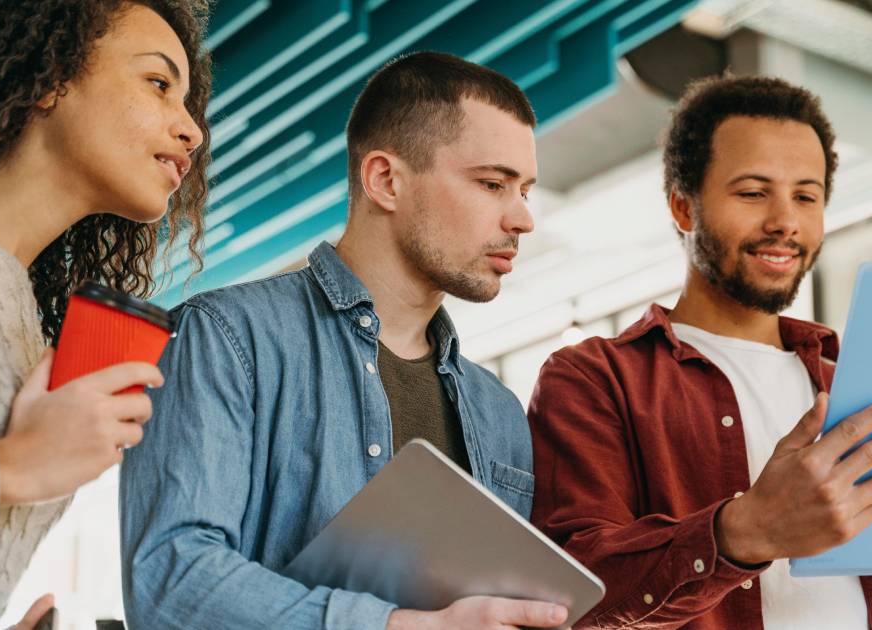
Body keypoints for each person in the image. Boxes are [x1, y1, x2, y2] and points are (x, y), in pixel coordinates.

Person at [120, 51, 569, 630]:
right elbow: (170, 582)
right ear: (385, 179)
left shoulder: (500, 414)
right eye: (491, 184)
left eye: (525, 191)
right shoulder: (225, 338)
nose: (523, 219)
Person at [528, 74, 872, 629]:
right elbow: (572, 597)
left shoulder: (863, 383)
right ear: (682, 207)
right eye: (752, 192)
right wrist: (744, 532)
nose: (785, 222)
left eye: (806, 196)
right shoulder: (595, 379)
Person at [0, 1, 210, 628]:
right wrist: (12, 466)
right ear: (51, 75)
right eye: (159, 84)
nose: (192, 129)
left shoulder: (30, 331)